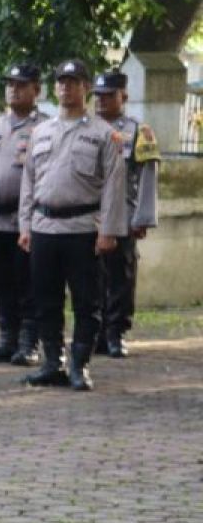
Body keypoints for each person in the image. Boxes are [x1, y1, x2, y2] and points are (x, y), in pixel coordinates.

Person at [19, 59, 127, 392]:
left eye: (74, 81)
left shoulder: (104, 135)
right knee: (45, 300)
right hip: (45, 228)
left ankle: (79, 365)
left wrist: (108, 230)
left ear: (87, 87)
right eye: (61, 81)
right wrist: (25, 225)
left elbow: (114, 185)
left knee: (86, 302)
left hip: (83, 229)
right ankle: (53, 362)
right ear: (54, 88)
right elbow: (29, 181)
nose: (66, 87)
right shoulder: (41, 132)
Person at [0, 63, 49, 366]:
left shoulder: (45, 127)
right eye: (10, 84)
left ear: (37, 90)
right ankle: (7, 339)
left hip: (27, 222)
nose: (13, 89)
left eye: (21, 84)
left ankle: (29, 342)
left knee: (28, 283)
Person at [91, 70, 159, 358]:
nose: (102, 101)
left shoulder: (138, 132)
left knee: (121, 275)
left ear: (124, 97)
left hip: (123, 213)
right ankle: (94, 331)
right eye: (99, 96)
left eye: (109, 96)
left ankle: (116, 332)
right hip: (90, 216)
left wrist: (142, 217)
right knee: (92, 276)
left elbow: (148, 175)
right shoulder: (85, 128)